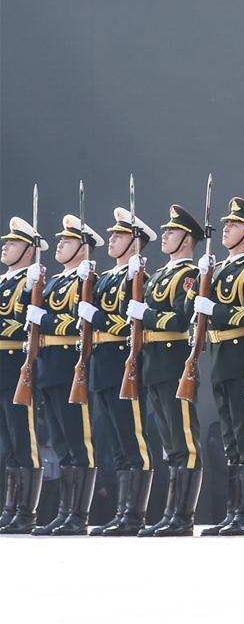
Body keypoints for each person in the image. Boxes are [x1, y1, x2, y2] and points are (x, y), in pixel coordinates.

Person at [127, 205, 205, 537]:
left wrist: (148, 315)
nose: (165, 236)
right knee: (170, 444)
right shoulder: (159, 275)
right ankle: (171, 512)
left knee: (184, 441)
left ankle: (183, 516)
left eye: (171, 232)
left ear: (187, 240)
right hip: (154, 364)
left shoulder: (188, 274)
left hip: (174, 363)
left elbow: (182, 317)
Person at [77, 208, 155, 536]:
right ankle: (123, 512)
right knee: (116, 443)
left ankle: (134, 514)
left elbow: (129, 323)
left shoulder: (138, 279)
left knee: (132, 439)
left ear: (135, 242)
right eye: (111, 235)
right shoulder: (108, 277)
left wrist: (96, 316)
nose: (111, 239)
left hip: (125, 362)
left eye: (119, 236)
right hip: (102, 365)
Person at [190, 197, 244, 536]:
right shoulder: (217, 269)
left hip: (242, 356)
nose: (226, 229)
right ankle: (233, 513)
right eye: (226, 224)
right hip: (219, 358)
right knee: (230, 440)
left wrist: (213, 309)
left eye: (234, 225)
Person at [28, 215, 103, 535]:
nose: (59, 244)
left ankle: (78, 514)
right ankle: (64, 511)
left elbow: (78, 324)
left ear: (83, 248)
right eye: (60, 240)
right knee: (59, 443)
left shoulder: (87, 281)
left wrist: (43, 321)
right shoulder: (57, 281)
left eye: (68, 241)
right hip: (48, 367)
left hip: (71, 366)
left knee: (77, 442)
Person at [0, 218, 47, 534]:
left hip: (17, 363)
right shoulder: (4, 281)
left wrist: (32, 289)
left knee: (23, 438)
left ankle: (25, 512)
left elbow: (27, 325)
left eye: (13, 243)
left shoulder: (28, 282)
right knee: (7, 441)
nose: (5, 246)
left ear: (29, 250)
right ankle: (10, 508)